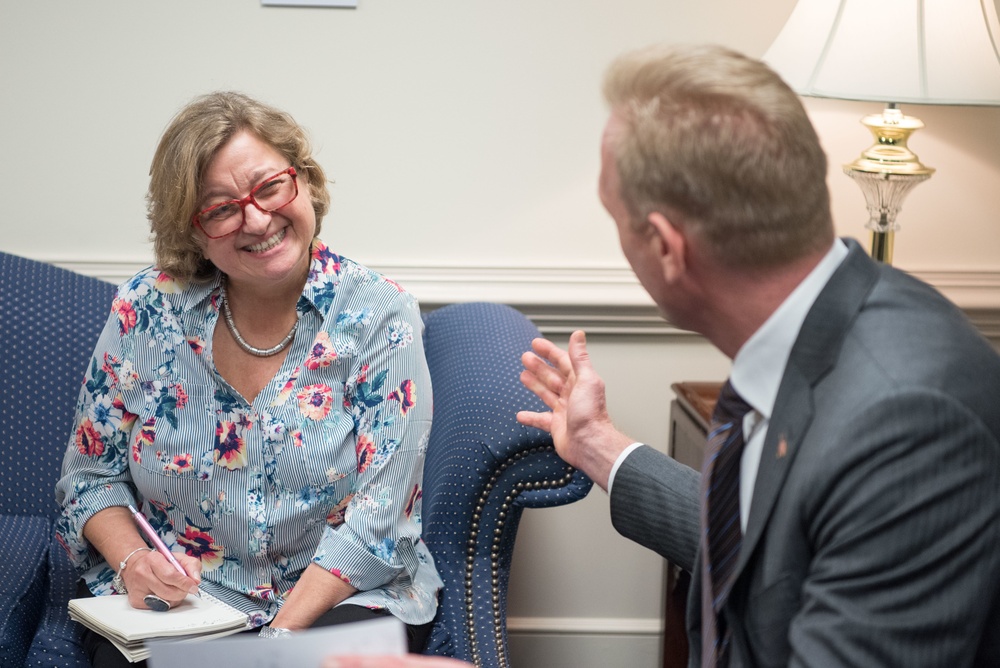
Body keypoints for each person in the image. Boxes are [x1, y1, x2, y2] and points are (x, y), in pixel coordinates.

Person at [514, 44, 1000, 667]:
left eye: (616, 220)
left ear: (666, 247)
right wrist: (596, 445)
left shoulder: (908, 421)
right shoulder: (817, 325)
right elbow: (771, 550)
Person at [56, 91, 442, 667]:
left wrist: (273, 648)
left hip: (336, 602)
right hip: (184, 610)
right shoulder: (146, 310)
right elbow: (89, 476)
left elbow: (379, 525)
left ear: (304, 182)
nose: (256, 218)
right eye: (221, 208)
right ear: (193, 231)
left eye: (270, 187)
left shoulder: (379, 316)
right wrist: (137, 564)